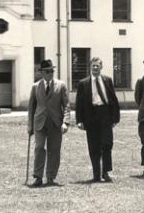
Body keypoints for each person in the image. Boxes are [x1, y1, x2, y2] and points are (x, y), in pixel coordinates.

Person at [76, 57, 120, 182]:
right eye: (93, 66)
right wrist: (80, 120)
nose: (95, 68)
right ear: (90, 67)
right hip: (91, 116)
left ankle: (106, 172)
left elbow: (113, 99)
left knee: (107, 144)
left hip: (105, 115)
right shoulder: (83, 83)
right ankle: (96, 174)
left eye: (97, 66)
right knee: (93, 146)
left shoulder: (107, 80)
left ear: (101, 67)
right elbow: (79, 103)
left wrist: (115, 117)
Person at [27, 59, 71, 187]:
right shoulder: (35, 86)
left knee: (54, 150)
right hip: (39, 123)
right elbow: (31, 108)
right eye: (47, 71)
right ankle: (38, 177)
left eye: (52, 71)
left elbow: (66, 105)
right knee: (39, 148)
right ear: (41, 73)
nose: (50, 73)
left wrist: (66, 122)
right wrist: (30, 125)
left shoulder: (61, 85)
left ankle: (51, 177)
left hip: (55, 123)